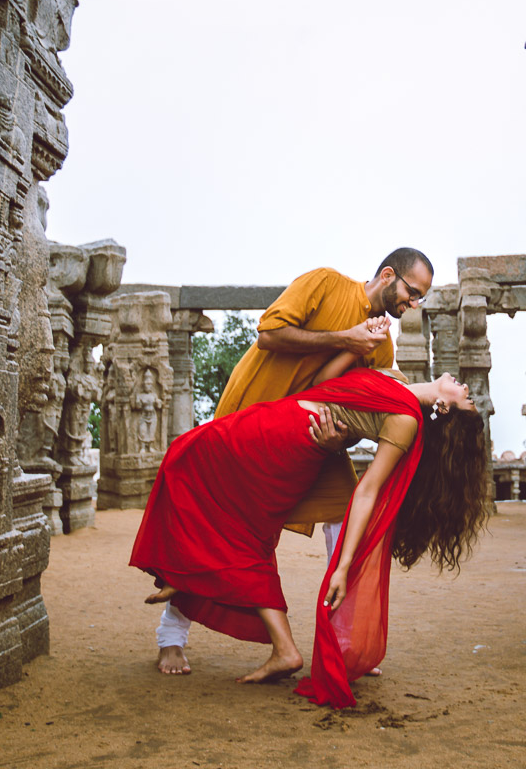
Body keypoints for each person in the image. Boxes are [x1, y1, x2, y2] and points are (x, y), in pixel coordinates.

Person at [129, 364, 487, 708]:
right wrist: (354, 339)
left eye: (466, 399)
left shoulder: (406, 420)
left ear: (443, 407)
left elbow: (367, 491)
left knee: (191, 463)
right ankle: (193, 577)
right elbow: (324, 381)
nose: (467, 388)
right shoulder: (394, 379)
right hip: (279, 417)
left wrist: (343, 566)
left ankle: (194, 579)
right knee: (219, 498)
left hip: (286, 438)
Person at [152, 247, 435, 674]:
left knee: (345, 517)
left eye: (420, 299)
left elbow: (351, 403)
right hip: (252, 416)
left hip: (315, 444)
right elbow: (269, 332)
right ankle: (171, 635)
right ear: (388, 275)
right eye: (412, 292)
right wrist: (346, 337)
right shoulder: (325, 283)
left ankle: (343, 638)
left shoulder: (382, 345)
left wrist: (340, 436)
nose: (413, 305)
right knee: (225, 524)